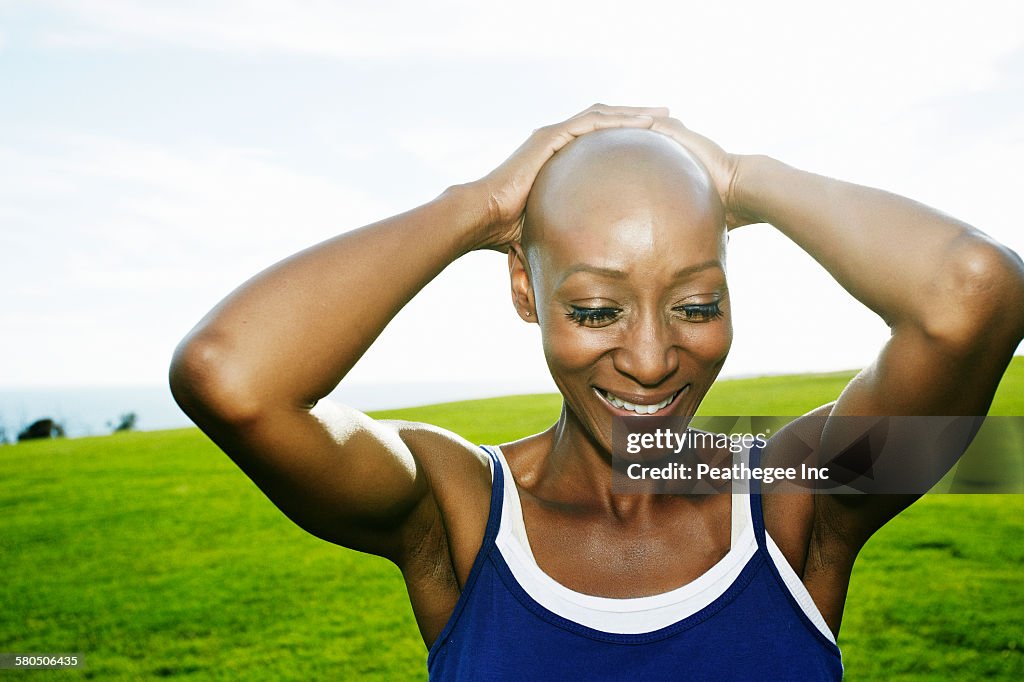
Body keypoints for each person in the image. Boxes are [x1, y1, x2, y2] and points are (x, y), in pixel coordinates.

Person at [169, 104, 1024, 680]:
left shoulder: (800, 496)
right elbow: (230, 377)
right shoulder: (459, 510)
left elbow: (975, 291)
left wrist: (739, 181)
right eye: (595, 308)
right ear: (525, 292)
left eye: (696, 303)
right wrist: (478, 206)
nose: (650, 359)